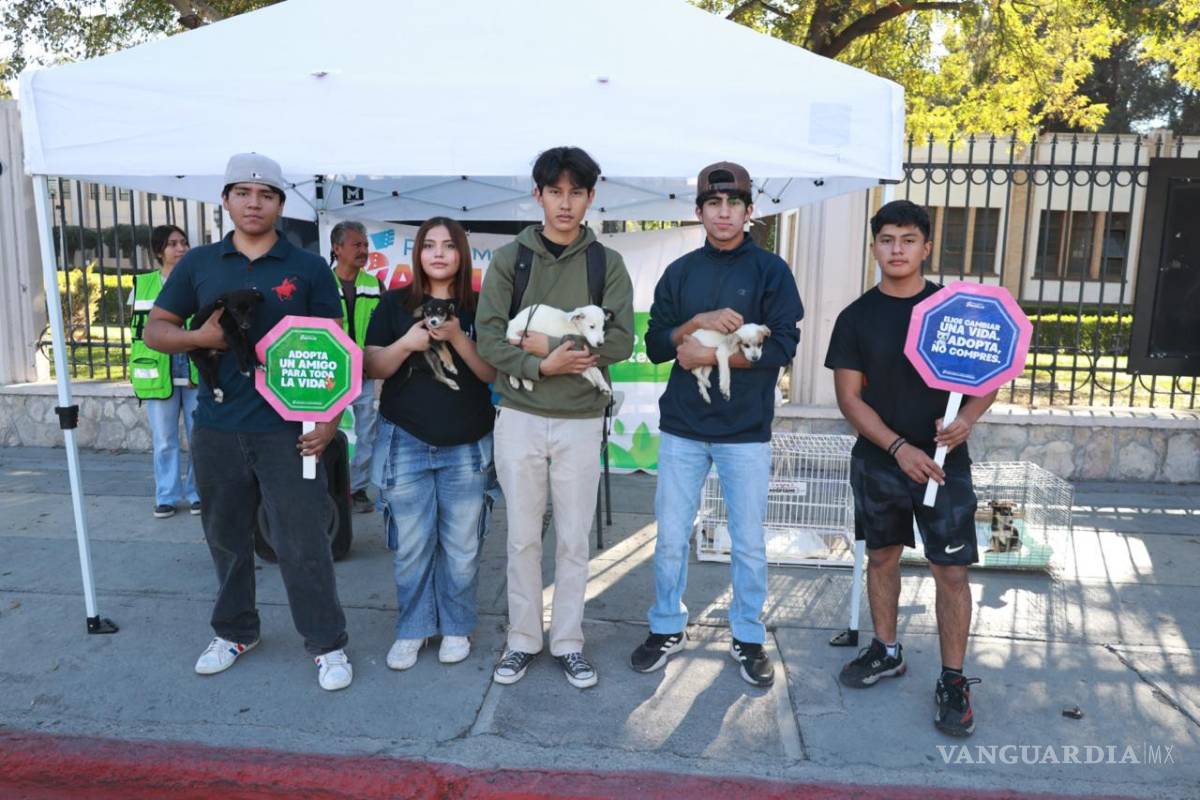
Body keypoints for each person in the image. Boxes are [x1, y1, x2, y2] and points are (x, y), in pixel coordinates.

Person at [144, 152, 354, 692]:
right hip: (216, 425)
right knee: (225, 535)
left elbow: (337, 348)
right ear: (227, 200)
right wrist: (200, 340)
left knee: (303, 539)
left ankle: (327, 643)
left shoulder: (307, 267)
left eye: (265, 195)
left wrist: (330, 419)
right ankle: (235, 631)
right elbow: (156, 331)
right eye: (243, 193)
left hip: (290, 430)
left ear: (281, 204)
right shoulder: (199, 264)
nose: (254, 203)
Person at [824, 199, 995, 737]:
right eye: (886, 240)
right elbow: (850, 399)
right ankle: (887, 649)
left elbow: (989, 373)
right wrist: (898, 448)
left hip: (945, 464)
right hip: (882, 460)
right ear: (874, 247)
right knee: (881, 558)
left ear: (925, 247)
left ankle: (952, 679)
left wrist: (966, 418)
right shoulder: (856, 317)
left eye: (907, 240)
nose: (896, 250)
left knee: (951, 571)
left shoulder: (957, 308)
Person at [630, 162, 803, 688]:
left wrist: (704, 358)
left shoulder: (772, 272)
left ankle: (748, 636)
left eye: (733, 204)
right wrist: (698, 324)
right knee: (670, 536)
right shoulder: (681, 272)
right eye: (713, 204)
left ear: (750, 211)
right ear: (699, 211)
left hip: (745, 430)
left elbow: (784, 348)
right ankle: (666, 626)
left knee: (748, 541)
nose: (723, 212)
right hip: (683, 426)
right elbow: (658, 344)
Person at [476, 146, 634, 689]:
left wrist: (561, 350)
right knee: (521, 536)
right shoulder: (509, 259)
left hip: (581, 420)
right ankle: (522, 639)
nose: (565, 204)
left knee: (573, 539)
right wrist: (542, 363)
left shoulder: (605, 263)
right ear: (537, 195)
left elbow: (619, 339)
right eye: (555, 192)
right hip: (519, 414)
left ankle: (568, 641)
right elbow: (491, 337)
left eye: (576, 193)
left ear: (591, 197)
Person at [364, 217, 496, 671]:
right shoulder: (395, 304)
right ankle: (414, 627)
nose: (438, 253)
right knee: (412, 545)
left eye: (448, 246)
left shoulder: (481, 307)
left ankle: (457, 625)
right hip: (406, 439)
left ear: (461, 254)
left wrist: (457, 336)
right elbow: (373, 365)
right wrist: (406, 342)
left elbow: (490, 374)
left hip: (468, 443)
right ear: (418, 254)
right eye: (429, 246)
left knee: (462, 546)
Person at [129, 224, 201, 519]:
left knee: (200, 438)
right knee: (164, 440)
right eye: (173, 244)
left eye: (183, 242)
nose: (181, 248)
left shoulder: (198, 281)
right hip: (159, 374)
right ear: (159, 251)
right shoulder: (143, 284)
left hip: (195, 371)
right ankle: (167, 496)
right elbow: (136, 333)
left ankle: (199, 493)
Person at [329, 220, 383, 514]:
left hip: (365, 375)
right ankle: (331, 487)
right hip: (331, 376)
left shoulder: (375, 284)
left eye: (365, 244)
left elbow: (385, 329)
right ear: (337, 249)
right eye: (356, 245)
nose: (364, 250)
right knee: (330, 431)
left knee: (367, 434)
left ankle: (356, 490)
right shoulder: (321, 282)